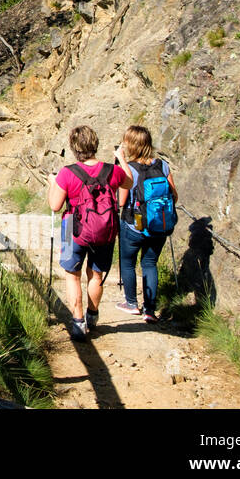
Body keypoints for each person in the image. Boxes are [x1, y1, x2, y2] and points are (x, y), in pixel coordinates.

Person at [48, 125, 130, 340]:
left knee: (71, 276)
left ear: (74, 148)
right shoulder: (112, 172)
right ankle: (92, 316)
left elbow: (55, 205)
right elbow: (129, 182)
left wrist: (52, 184)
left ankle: (77, 323)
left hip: (71, 231)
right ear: (95, 144)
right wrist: (121, 159)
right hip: (105, 230)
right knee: (96, 275)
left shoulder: (67, 173)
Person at [114, 125, 178, 323]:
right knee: (150, 263)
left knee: (128, 262)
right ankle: (149, 310)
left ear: (131, 145)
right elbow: (174, 196)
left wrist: (120, 161)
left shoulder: (129, 169)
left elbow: (121, 202)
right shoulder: (162, 165)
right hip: (159, 225)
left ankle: (131, 304)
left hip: (133, 225)